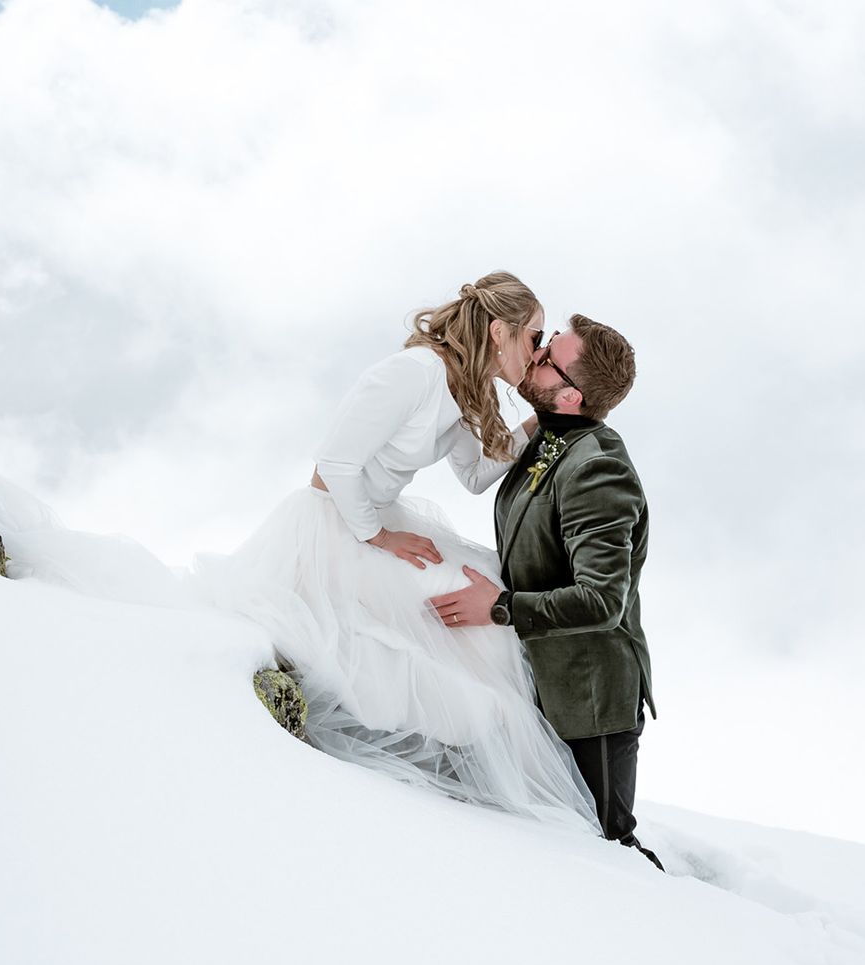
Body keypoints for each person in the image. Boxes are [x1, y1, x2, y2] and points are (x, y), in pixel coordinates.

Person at [189, 272, 602, 835]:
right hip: (334, 527)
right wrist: (377, 537)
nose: (536, 352)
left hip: (376, 522)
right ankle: (454, 752)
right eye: (534, 337)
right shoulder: (414, 372)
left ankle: (477, 748)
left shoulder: (463, 387)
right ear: (499, 331)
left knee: (480, 579)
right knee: (449, 610)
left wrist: (545, 417)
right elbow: (334, 465)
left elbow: (479, 474)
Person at [428, 314, 662, 868]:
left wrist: (500, 607)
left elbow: (602, 601)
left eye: (546, 356)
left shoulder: (597, 469)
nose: (532, 354)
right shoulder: (547, 437)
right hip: (532, 678)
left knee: (605, 853)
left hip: (589, 701)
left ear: (571, 395)